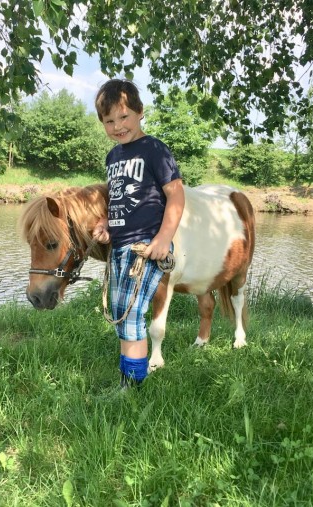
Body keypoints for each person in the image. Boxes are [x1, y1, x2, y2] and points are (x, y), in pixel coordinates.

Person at [92, 79, 185, 388]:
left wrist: (162, 238)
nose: (118, 126)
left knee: (131, 314)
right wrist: (106, 224)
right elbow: (118, 198)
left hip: (145, 246)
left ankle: (132, 387)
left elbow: (176, 195)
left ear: (140, 112)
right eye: (109, 121)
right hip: (120, 246)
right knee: (120, 312)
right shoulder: (112, 158)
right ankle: (127, 379)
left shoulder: (154, 149)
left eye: (124, 117)